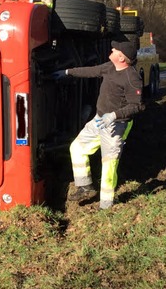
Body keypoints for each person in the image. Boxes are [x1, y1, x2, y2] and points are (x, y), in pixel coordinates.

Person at [53, 39, 144, 209]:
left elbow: (137, 106)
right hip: (99, 120)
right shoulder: (110, 67)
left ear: (122, 58)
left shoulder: (132, 78)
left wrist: (114, 115)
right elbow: (91, 71)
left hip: (116, 125)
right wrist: (67, 72)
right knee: (77, 148)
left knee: (108, 166)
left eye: (115, 49)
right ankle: (85, 186)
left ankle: (106, 206)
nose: (112, 48)